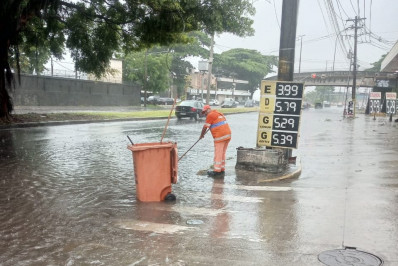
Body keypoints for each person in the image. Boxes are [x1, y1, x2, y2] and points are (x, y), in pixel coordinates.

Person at [199, 105, 231, 177]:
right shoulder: (218, 113)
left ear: (209, 109)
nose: (205, 114)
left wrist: (201, 135)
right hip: (228, 135)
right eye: (204, 113)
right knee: (222, 153)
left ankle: (217, 171)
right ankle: (222, 169)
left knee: (218, 154)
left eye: (205, 112)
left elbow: (205, 127)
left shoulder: (210, 115)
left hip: (220, 136)